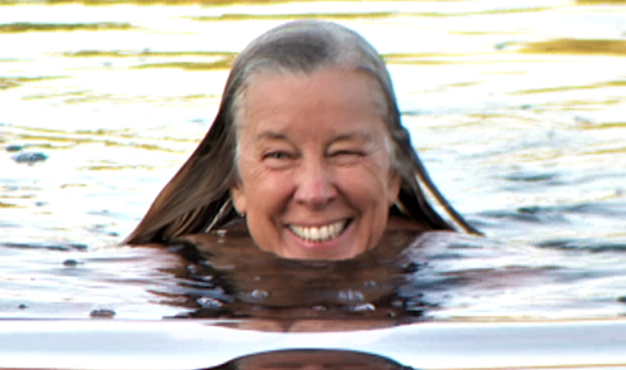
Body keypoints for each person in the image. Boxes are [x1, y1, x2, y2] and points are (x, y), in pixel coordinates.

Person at [126, 20, 476, 256]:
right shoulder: (179, 275)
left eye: (345, 153)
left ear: (393, 174)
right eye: (279, 156)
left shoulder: (458, 271)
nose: (315, 193)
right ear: (237, 184)